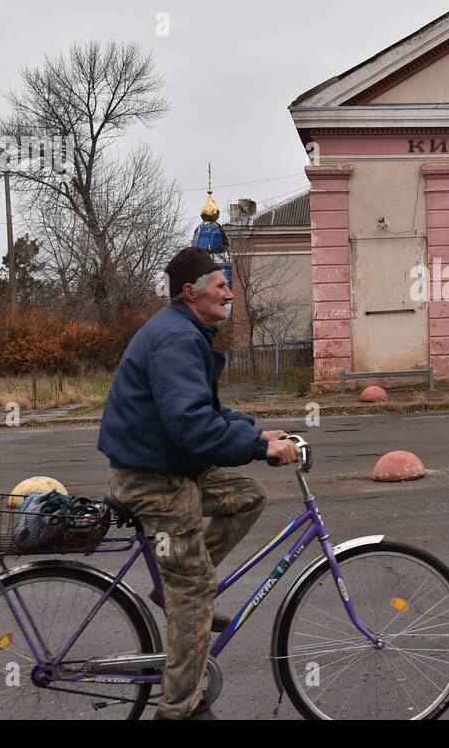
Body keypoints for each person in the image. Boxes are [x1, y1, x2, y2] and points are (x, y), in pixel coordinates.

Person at [98, 247, 299, 720]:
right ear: (191, 292)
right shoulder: (175, 339)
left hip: (168, 466)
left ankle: (171, 592)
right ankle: (179, 709)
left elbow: (203, 413)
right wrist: (259, 450)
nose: (229, 293)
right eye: (220, 285)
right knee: (194, 588)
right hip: (155, 480)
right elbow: (191, 426)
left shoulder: (183, 331)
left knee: (247, 495)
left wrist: (255, 432)